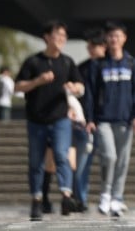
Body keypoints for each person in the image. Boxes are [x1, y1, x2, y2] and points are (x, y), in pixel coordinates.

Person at [16, 20, 84, 221]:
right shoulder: (33, 62)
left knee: (62, 156)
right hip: (36, 120)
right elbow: (18, 86)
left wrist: (75, 88)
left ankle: (66, 196)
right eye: (57, 35)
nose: (61, 40)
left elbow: (80, 85)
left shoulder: (67, 62)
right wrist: (37, 81)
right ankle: (36, 200)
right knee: (36, 162)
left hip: (60, 119)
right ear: (46, 37)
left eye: (64, 36)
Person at [86, 21, 135, 218]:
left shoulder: (132, 64)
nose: (114, 39)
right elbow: (91, 94)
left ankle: (117, 198)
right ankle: (105, 194)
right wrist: (90, 118)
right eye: (110, 36)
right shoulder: (98, 65)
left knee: (122, 161)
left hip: (125, 121)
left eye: (117, 36)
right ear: (106, 40)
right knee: (109, 156)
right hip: (103, 120)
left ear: (124, 38)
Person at [73, 30, 106, 213]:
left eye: (93, 45)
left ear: (103, 46)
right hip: (85, 122)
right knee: (83, 164)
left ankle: (109, 198)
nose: (89, 49)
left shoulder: (109, 66)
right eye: (88, 45)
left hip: (107, 120)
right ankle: (80, 199)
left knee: (108, 162)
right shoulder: (82, 68)